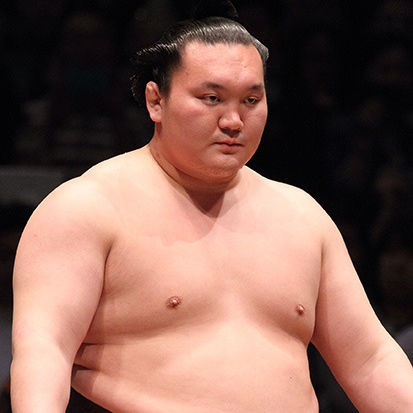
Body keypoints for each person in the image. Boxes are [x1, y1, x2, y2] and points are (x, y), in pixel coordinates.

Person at [10, 2, 413, 412]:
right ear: (156, 101)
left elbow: (370, 361)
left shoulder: (302, 216)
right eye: (211, 98)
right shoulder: (87, 208)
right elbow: (45, 351)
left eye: (251, 100)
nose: (233, 120)